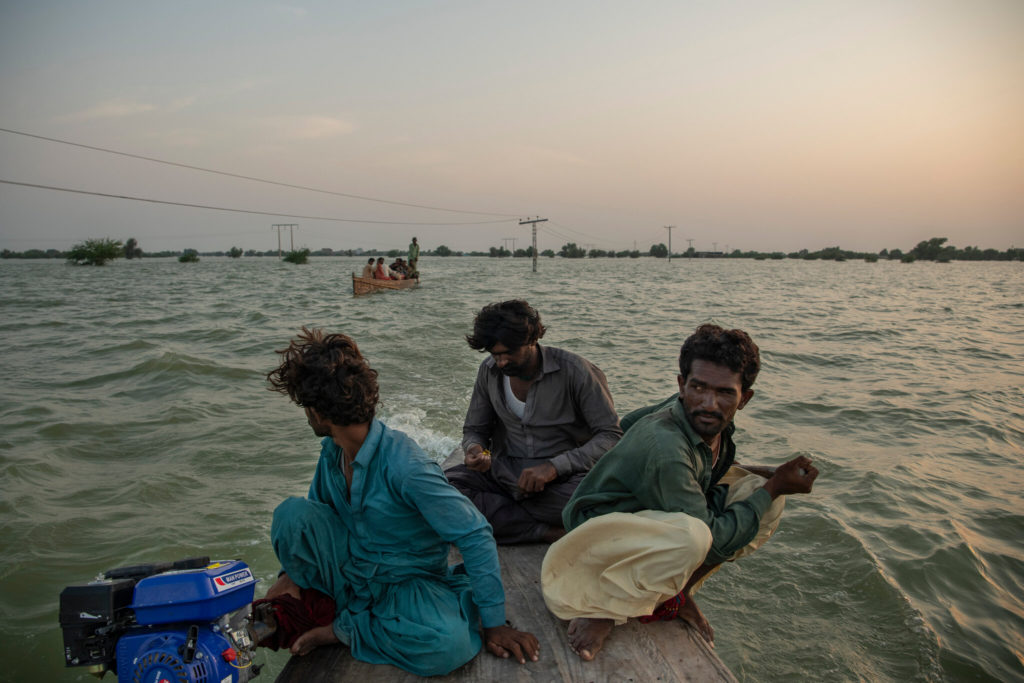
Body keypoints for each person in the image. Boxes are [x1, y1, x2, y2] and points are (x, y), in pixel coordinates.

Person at [264, 328, 539, 675]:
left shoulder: (406, 467)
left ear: (319, 413)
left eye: (306, 407)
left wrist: (496, 623)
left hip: (406, 585)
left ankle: (347, 629)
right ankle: (348, 610)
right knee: (291, 515)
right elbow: (319, 516)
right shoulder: (332, 453)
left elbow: (476, 534)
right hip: (352, 572)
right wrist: (289, 574)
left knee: (448, 645)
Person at [541, 324, 819, 661]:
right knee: (696, 536)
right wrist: (775, 485)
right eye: (698, 387)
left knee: (762, 497)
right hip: (597, 540)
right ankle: (604, 608)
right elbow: (714, 540)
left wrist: (770, 478)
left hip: (648, 523)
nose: (708, 403)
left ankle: (677, 594)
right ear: (681, 385)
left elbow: (628, 426)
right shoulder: (667, 445)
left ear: (744, 398)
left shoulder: (706, 420)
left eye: (725, 393)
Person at [445, 300, 622, 545]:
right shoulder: (489, 372)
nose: (502, 362)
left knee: (587, 501)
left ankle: (501, 520)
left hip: (565, 481)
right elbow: (475, 429)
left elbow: (610, 436)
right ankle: (548, 531)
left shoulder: (577, 372)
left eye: (509, 353)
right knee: (441, 490)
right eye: (496, 355)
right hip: (506, 475)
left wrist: (553, 467)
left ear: (533, 339)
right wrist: (475, 450)